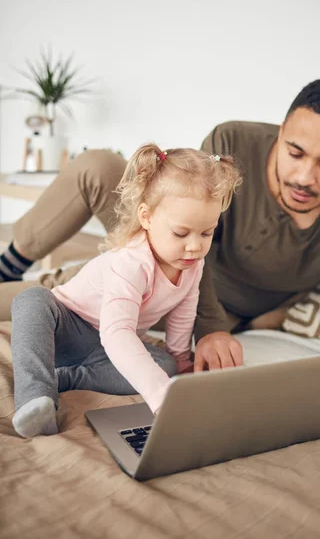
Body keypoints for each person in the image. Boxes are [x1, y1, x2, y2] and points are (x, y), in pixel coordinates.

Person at [1, 78, 320, 425]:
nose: (304, 177)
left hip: (180, 305)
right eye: (295, 153)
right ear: (280, 132)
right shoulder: (232, 144)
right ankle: (12, 263)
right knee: (93, 173)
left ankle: (63, 367)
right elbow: (189, 243)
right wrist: (212, 330)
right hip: (144, 275)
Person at [10, 144, 241, 437]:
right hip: (67, 329)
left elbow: (184, 312)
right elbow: (116, 332)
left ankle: (65, 378)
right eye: (181, 233)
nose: (195, 246)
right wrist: (161, 395)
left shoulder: (192, 264)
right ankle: (35, 396)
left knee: (164, 365)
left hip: (104, 349)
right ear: (146, 217)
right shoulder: (132, 262)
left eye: (207, 233)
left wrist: (181, 363)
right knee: (32, 300)